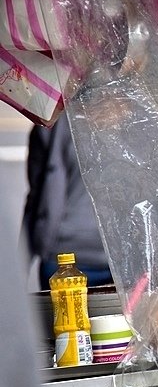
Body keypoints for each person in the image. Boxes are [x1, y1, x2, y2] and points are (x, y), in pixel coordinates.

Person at [23, 116, 114, 290]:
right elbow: (36, 196)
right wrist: (20, 262)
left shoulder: (146, 119)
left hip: (129, 264)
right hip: (64, 261)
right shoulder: (53, 123)